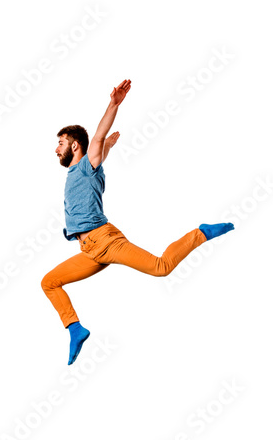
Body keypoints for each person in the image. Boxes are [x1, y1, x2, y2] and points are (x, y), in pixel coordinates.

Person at [41, 79, 234, 365]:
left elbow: (97, 138)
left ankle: (200, 233)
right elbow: (101, 144)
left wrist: (114, 104)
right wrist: (108, 145)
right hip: (89, 250)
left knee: (161, 267)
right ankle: (76, 329)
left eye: (60, 143)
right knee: (50, 282)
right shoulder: (80, 171)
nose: (56, 149)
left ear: (76, 146)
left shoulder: (86, 165)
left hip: (105, 240)